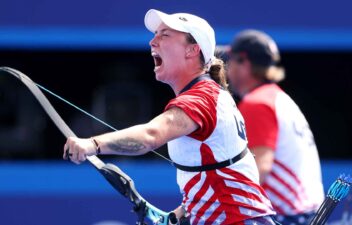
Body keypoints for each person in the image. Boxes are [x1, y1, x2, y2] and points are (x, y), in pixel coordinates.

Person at [63, 10, 278, 225]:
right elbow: (220, 173)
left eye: (164, 35)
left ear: (192, 50)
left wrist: (93, 144)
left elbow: (151, 135)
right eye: (155, 34)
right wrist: (181, 212)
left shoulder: (201, 97)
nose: (152, 42)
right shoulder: (212, 94)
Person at [225, 29, 325, 225]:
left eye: (230, 60)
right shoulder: (277, 98)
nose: (225, 68)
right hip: (307, 215)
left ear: (244, 63)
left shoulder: (257, 103)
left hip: (290, 219)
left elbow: (257, 171)